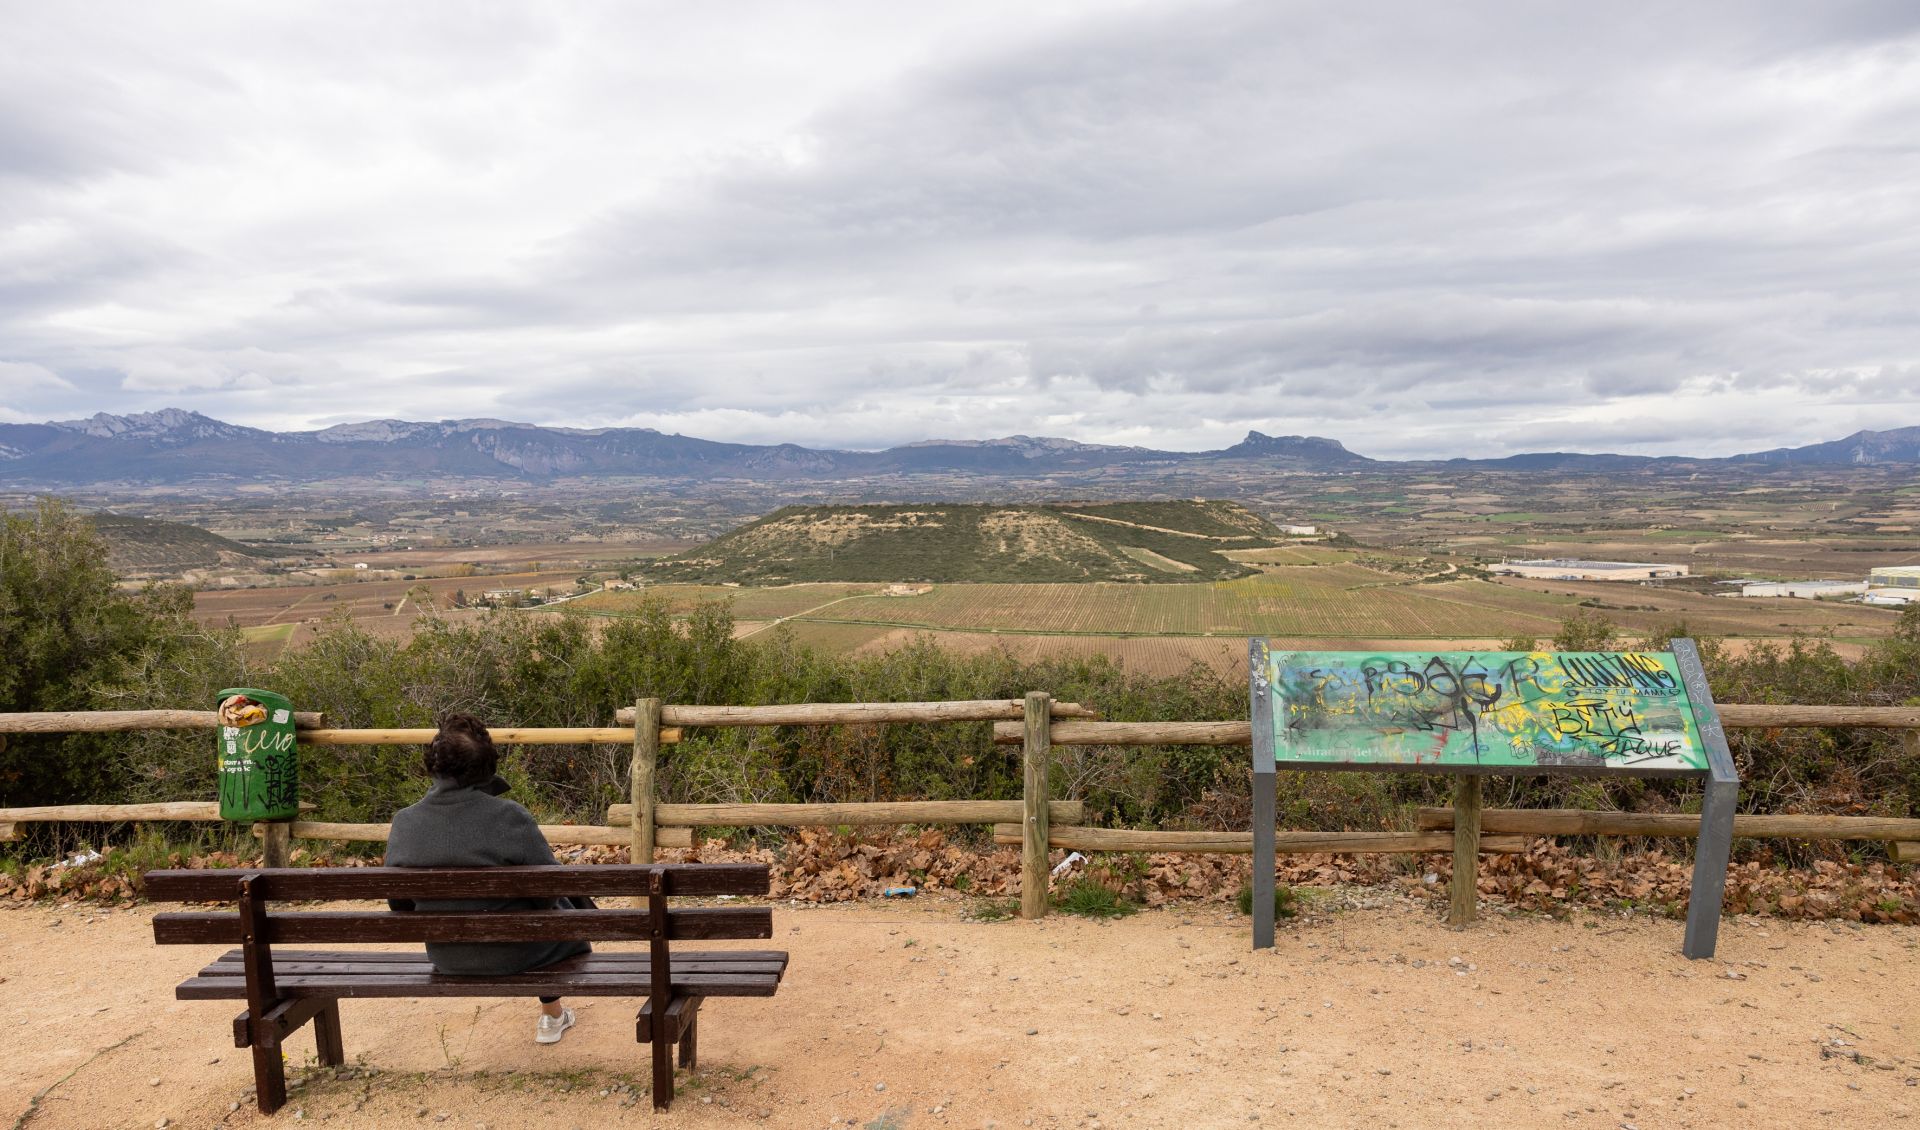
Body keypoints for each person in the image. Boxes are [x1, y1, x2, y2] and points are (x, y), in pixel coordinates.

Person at [385, 713, 589, 1044]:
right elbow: (548, 894)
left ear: (434, 766)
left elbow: (400, 906)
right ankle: (552, 1016)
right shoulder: (510, 817)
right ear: (486, 765)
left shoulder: (404, 822)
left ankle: (553, 1015)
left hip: (448, 957)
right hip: (519, 956)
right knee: (554, 914)